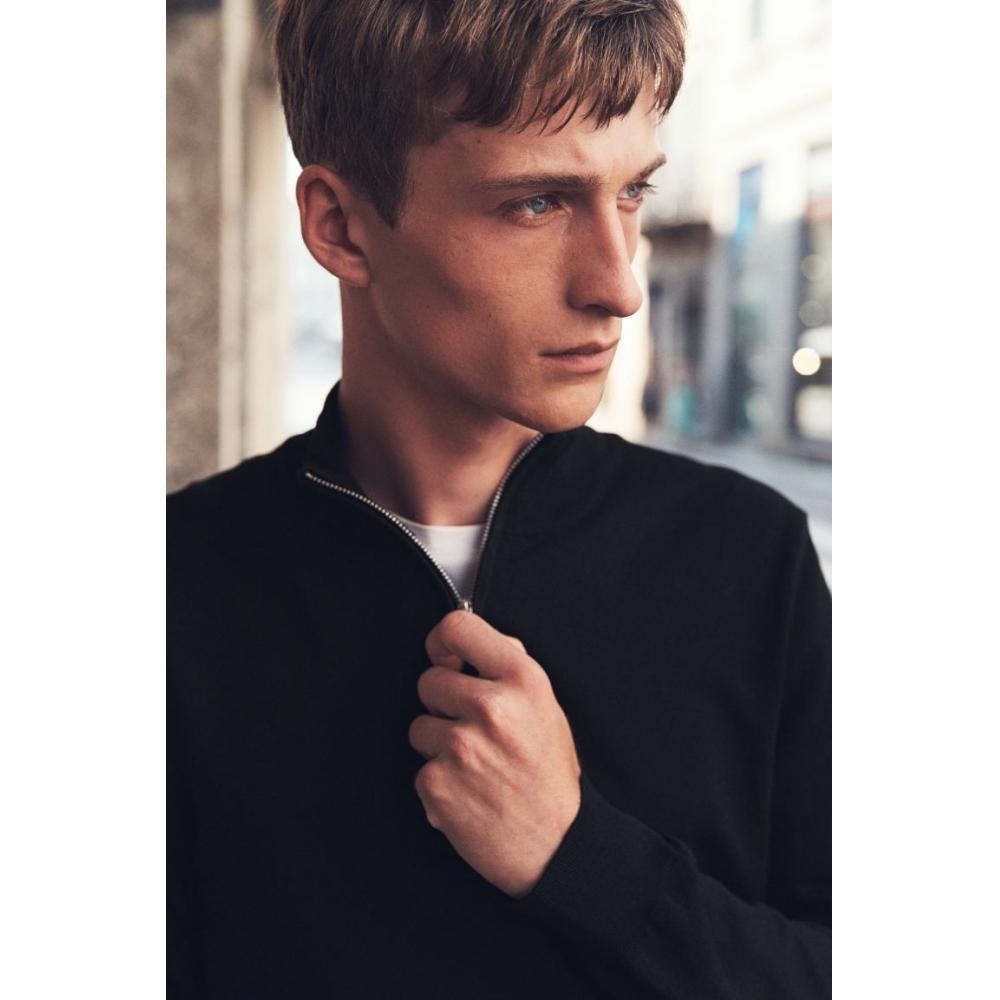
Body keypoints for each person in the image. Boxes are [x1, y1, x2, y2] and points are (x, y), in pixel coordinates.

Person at [167, 1, 831, 996]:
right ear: (340, 226)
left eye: (632, 194)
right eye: (537, 203)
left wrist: (582, 858)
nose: (618, 284)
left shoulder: (751, 556)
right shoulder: (174, 587)